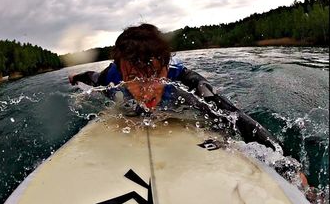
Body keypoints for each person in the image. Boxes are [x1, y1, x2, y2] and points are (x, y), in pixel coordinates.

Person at [69, 23, 278, 150]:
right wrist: (74, 77)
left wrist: (289, 166)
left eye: (154, 75)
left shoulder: (186, 83)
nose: (146, 90)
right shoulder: (112, 76)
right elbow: (91, 77)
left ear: (166, 68)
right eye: (133, 77)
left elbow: (233, 115)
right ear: (121, 72)